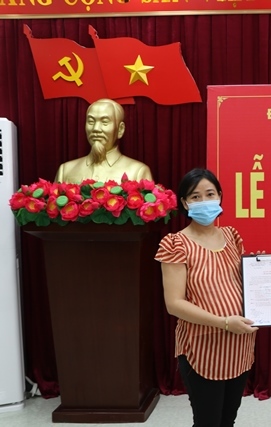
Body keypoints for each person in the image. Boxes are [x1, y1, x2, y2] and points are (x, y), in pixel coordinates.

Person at [155, 168, 258, 427]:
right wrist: (224, 322)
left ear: (220, 196)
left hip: (239, 345)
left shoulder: (231, 236)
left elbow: (245, 284)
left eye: (210, 194)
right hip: (202, 348)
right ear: (185, 203)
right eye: (195, 196)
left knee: (228, 419)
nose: (204, 201)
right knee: (207, 421)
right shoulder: (176, 243)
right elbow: (174, 304)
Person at [54, 98, 153, 183]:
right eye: (91, 121)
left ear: (120, 129)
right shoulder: (66, 170)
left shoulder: (138, 172)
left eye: (105, 122)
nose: (96, 128)